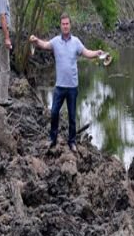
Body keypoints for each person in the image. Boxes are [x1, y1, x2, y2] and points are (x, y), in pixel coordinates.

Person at [29, 13, 103, 152]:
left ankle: (72, 141)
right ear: (60, 25)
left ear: (70, 25)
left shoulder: (76, 42)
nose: (65, 26)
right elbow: (44, 45)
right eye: (63, 24)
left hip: (72, 87)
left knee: (72, 116)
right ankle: (52, 138)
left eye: (67, 24)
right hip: (59, 86)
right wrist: (35, 40)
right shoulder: (56, 41)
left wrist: (97, 53)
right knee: (54, 113)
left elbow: (87, 53)